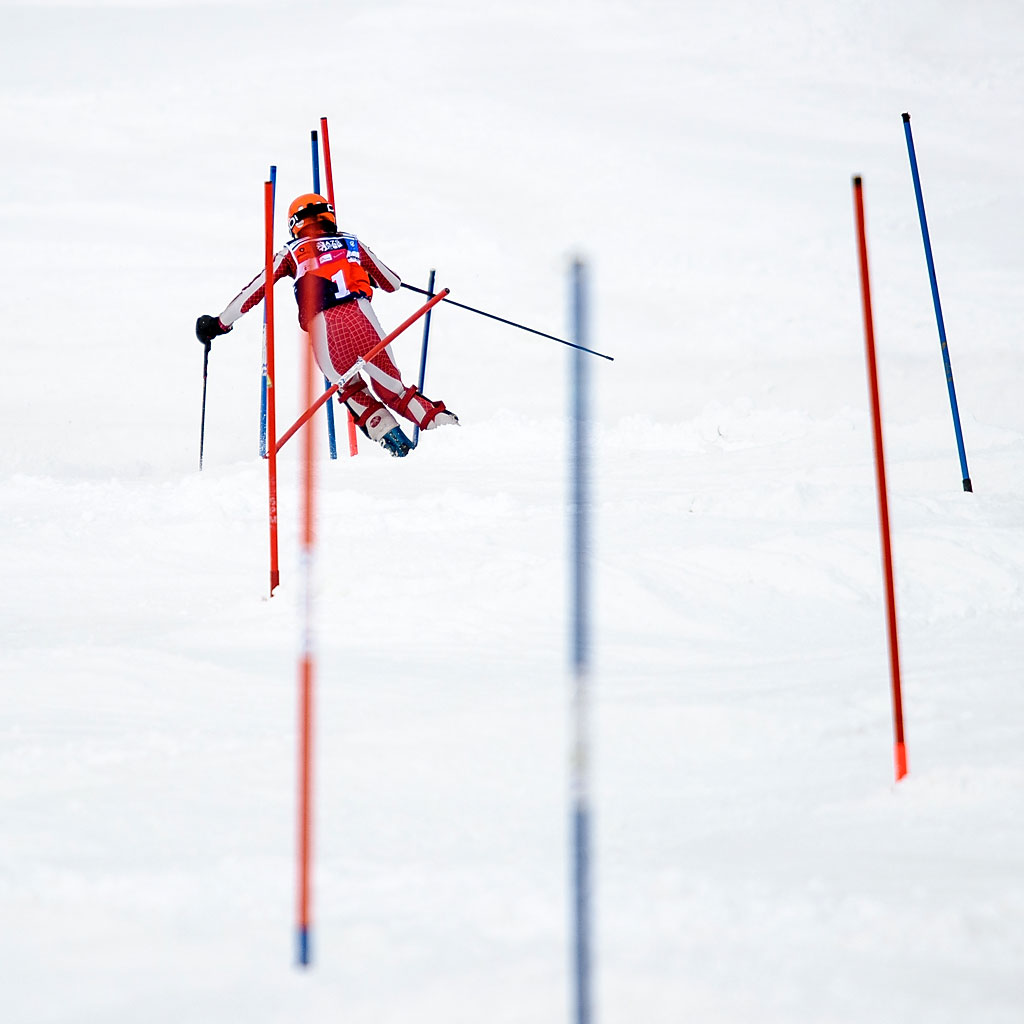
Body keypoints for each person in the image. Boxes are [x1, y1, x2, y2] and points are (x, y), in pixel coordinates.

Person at [195, 193, 458, 457]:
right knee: (396, 392)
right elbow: (393, 283)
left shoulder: (290, 253)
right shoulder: (350, 241)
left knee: (352, 390)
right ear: (329, 216)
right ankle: (452, 433)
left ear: (295, 225)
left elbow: (255, 290)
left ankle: (399, 449)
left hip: (324, 334)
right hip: (362, 319)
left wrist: (220, 324)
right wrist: (363, 273)